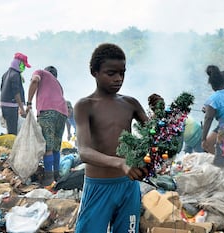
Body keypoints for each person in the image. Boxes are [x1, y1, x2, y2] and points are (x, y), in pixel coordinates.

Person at [74, 43, 148, 233]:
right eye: (111, 73)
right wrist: (121, 163)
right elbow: (84, 151)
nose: (118, 79)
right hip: (99, 187)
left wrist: (161, 114)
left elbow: (153, 134)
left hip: (128, 186)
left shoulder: (130, 103)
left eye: (122, 73)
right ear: (94, 72)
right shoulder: (85, 105)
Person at [26, 65, 68, 185]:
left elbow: (34, 80)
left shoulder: (41, 72)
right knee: (55, 146)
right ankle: (56, 175)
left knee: (47, 146)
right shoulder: (58, 85)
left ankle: (49, 179)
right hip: (62, 113)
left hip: (48, 112)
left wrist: (29, 103)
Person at [0, 52, 30, 135]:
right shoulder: (15, 75)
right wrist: (22, 108)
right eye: (23, 65)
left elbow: (2, 89)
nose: (23, 68)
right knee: (13, 133)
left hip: (4, 106)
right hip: (11, 107)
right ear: (18, 63)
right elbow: (16, 93)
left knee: (10, 130)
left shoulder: (6, 74)